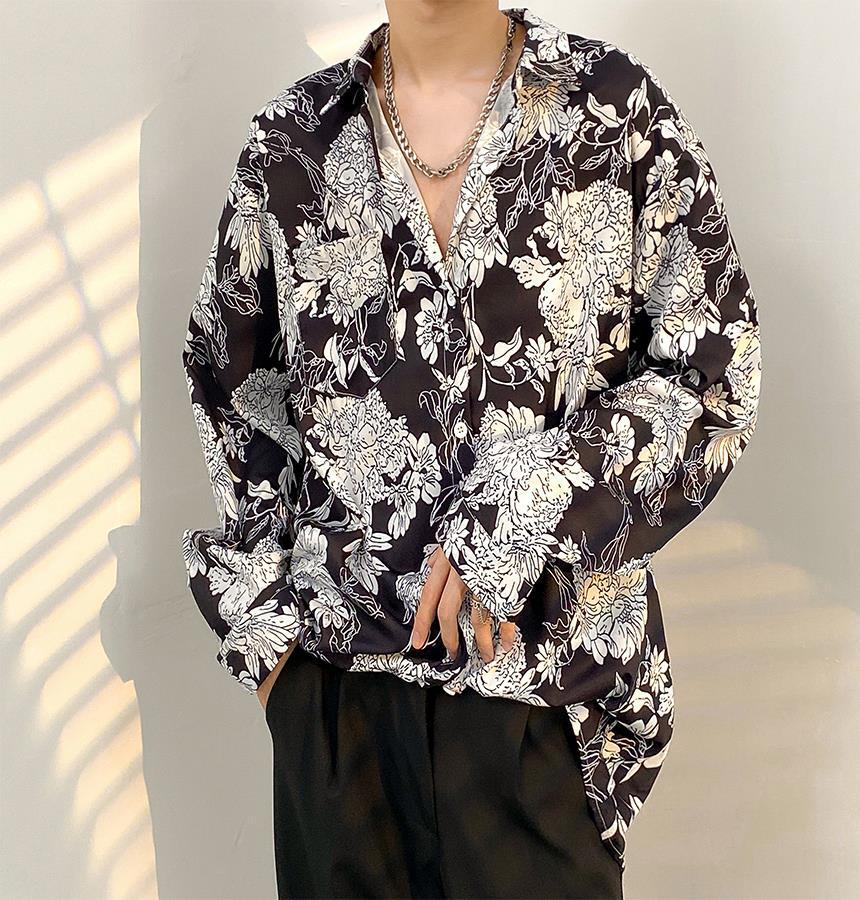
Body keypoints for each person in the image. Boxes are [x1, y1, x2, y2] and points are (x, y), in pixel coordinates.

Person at [180, 3, 763, 898]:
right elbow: (234, 390)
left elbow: (712, 376)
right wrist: (279, 665)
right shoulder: (290, 146)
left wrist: (523, 507)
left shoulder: (611, 112)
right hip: (340, 717)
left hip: (540, 709)